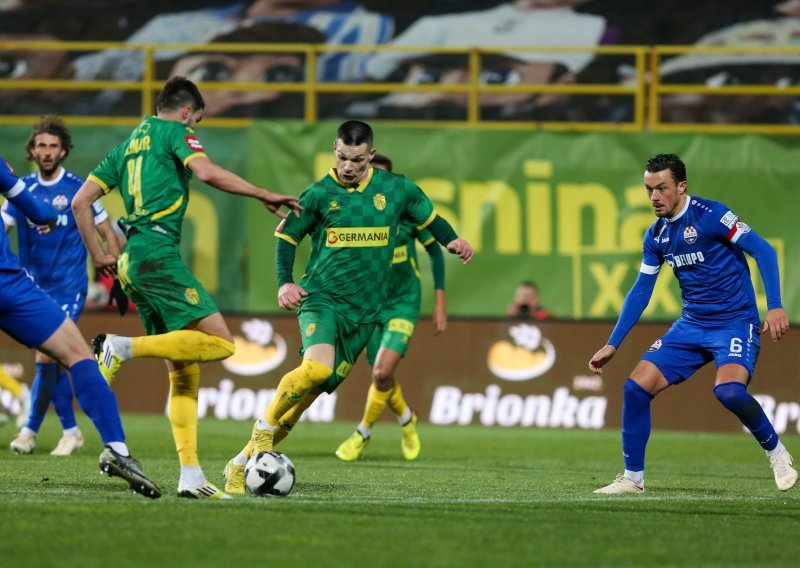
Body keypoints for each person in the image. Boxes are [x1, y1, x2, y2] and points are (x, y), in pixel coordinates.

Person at [73, 75, 302, 500]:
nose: (193, 128)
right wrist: (262, 193)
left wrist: (101, 253)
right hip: (158, 253)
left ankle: (191, 476)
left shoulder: (125, 147)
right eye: (195, 120)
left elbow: (80, 202)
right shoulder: (176, 133)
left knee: (184, 373)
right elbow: (207, 172)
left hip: (130, 261)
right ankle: (120, 347)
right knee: (221, 343)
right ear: (184, 112)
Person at [222, 120, 473, 494]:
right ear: (333, 150)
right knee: (315, 368)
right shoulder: (319, 194)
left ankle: (239, 464)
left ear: (370, 155)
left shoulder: (397, 189)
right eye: (341, 157)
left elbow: (431, 220)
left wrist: (453, 241)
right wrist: (285, 282)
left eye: (356, 159)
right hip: (322, 300)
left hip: (365, 315)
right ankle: (262, 431)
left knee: (304, 401)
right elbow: (286, 236)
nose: (348, 166)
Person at [589, 153, 796, 494]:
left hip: (734, 322)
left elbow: (764, 251)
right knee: (635, 387)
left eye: (662, 188)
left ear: (681, 186)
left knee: (728, 391)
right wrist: (613, 343)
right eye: (648, 189)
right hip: (691, 324)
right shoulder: (655, 235)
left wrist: (774, 307)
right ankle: (633, 479)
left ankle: (777, 453)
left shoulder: (711, 215)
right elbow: (641, 290)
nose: (654, 196)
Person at [0, 156, 160, 498]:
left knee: (54, 361)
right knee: (77, 354)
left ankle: (51, 430)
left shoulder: (68, 182)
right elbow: (39, 214)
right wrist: (49, 219)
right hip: (9, 286)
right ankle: (117, 450)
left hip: (52, 284)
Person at [6, 116, 120, 457]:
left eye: (53, 146)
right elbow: (3, 225)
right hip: (32, 288)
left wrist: (116, 258)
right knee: (49, 359)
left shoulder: (78, 188)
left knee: (47, 355)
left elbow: (105, 228)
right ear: (31, 150)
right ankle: (68, 430)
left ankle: (34, 431)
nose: (47, 151)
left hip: (70, 285)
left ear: (64, 151)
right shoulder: (20, 191)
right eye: (41, 145)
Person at [335, 153, 447, 462]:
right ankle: (407, 419)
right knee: (380, 377)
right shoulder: (355, 214)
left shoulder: (407, 215)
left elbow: (435, 252)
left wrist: (439, 300)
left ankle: (363, 431)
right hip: (370, 306)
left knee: (382, 370)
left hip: (402, 304)